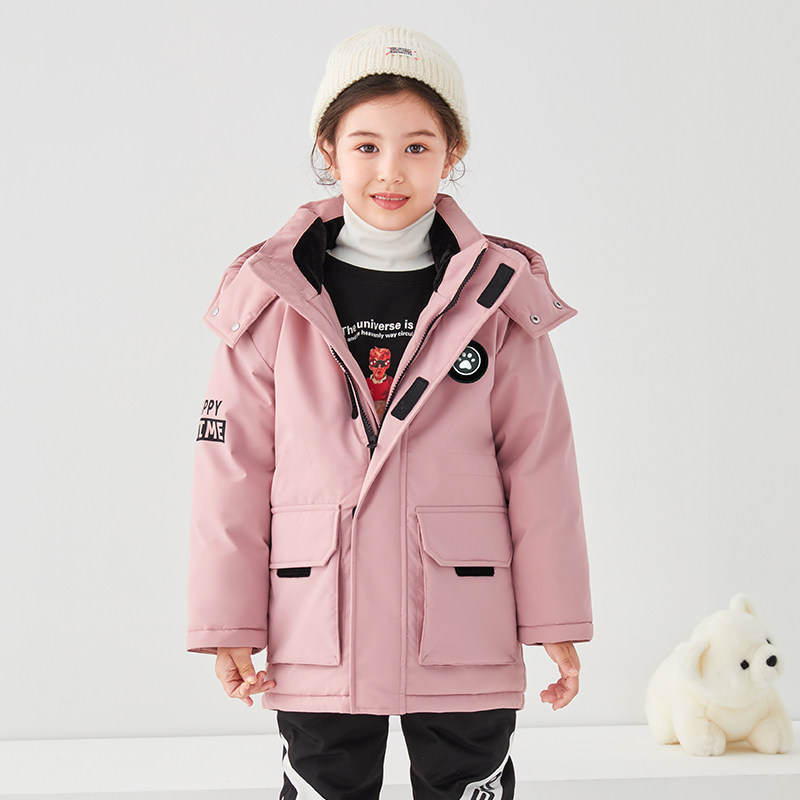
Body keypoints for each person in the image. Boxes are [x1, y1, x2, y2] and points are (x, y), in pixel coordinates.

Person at [186, 24, 592, 799]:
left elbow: (540, 466)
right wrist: (227, 622)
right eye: (366, 145)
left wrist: (555, 619)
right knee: (324, 780)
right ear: (329, 150)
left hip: (463, 613)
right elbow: (231, 471)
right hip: (317, 616)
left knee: (467, 779)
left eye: (417, 146)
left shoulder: (498, 300)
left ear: (452, 153)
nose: (390, 171)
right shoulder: (269, 298)